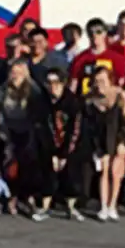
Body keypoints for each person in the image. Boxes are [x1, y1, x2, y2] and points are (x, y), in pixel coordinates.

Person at [0, 58, 47, 216]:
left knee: (28, 166)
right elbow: (0, 115)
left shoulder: (33, 90)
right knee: (9, 166)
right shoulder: (2, 90)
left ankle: (28, 198)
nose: (15, 76)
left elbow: (37, 116)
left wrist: (32, 136)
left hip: (28, 132)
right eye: (13, 72)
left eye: (19, 73)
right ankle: (10, 197)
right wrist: (5, 136)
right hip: (9, 131)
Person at [37, 68, 87, 222]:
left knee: (71, 175)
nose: (53, 86)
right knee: (47, 173)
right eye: (49, 82)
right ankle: (44, 207)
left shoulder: (72, 102)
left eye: (56, 82)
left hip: (69, 145)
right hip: (49, 144)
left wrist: (64, 155)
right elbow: (42, 128)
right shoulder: (42, 102)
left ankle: (71, 207)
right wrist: (52, 153)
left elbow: (75, 130)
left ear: (63, 83)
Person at [87, 66, 125, 221]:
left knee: (116, 173)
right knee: (104, 171)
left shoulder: (122, 97)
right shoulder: (90, 100)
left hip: (118, 138)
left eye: (103, 81)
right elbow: (91, 126)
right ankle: (103, 206)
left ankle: (113, 205)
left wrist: (124, 142)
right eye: (96, 81)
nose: (99, 84)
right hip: (101, 140)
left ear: (110, 81)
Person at [69, 18, 125, 96]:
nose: (94, 35)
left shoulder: (117, 58)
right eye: (91, 32)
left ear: (105, 33)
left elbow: (121, 84)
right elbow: (73, 85)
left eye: (98, 32)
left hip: (110, 98)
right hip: (86, 99)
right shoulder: (80, 59)